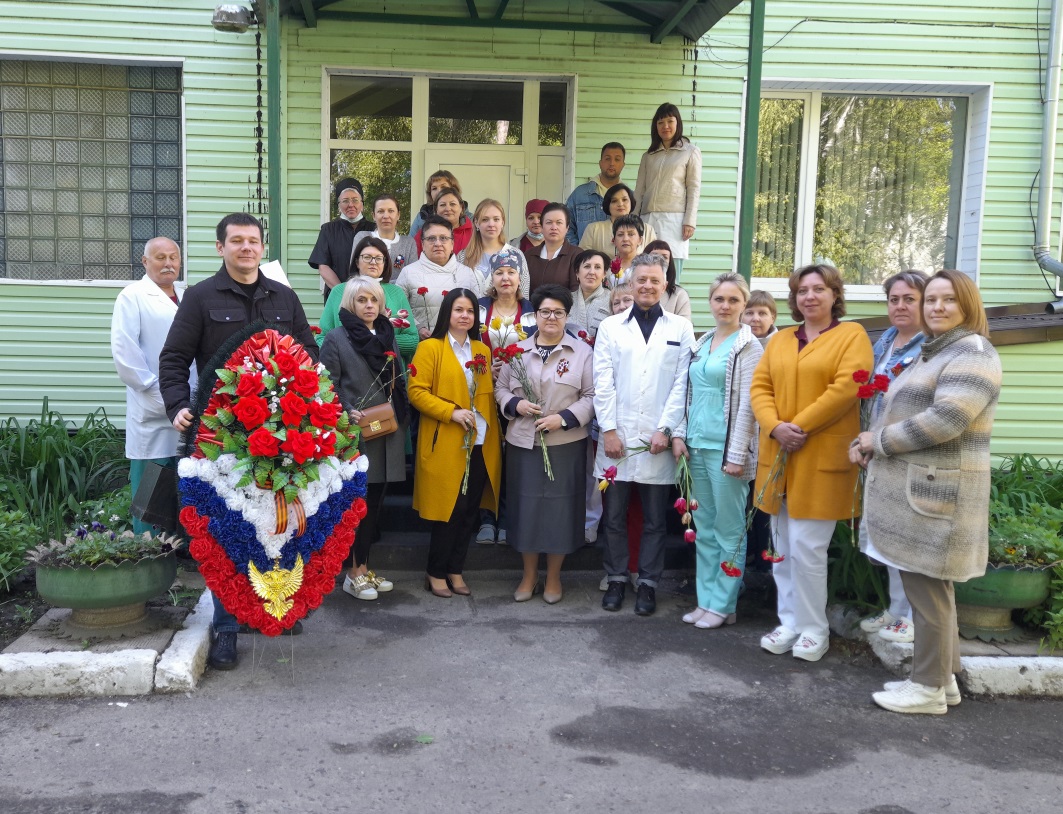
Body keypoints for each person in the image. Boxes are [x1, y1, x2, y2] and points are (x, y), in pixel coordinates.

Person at [159, 213, 318, 672]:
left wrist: (315, 410)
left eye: (253, 241)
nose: (246, 248)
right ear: (220, 247)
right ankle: (226, 627)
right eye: (236, 241)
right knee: (228, 530)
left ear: (263, 247)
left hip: (282, 435)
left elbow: (306, 355)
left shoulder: (283, 298)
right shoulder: (200, 298)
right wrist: (176, 407)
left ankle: (272, 607)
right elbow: (173, 359)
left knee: (275, 522)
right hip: (221, 435)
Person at [853, 270, 1001, 715]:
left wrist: (876, 442)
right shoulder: (936, 352)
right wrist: (866, 440)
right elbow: (897, 408)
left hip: (938, 498)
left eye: (947, 300)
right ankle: (945, 681)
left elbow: (947, 420)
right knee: (935, 591)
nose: (936, 308)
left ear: (967, 305)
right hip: (924, 494)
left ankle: (926, 689)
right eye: (931, 300)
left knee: (928, 593)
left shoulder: (972, 352)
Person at [750, 263, 873, 662]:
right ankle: (789, 621)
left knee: (808, 548)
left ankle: (814, 628)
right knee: (782, 547)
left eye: (819, 289)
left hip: (818, 455)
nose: (810, 296)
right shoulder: (781, 339)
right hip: (779, 454)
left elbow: (848, 387)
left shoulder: (852, 335)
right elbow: (760, 386)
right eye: (803, 290)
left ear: (835, 295)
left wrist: (797, 426)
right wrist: (774, 427)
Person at [594, 254, 694, 615]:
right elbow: (602, 381)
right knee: (615, 517)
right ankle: (617, 578)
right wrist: (608, 429)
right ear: (631, 284)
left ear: (665, 284)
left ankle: (648, 583)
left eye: (655, 280)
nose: (648, 286)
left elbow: (683, 384)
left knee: (654, 519)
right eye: (641, 280)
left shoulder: (680, 329)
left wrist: (666, 430)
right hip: (617, 437)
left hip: (658, 439)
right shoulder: (611, 327)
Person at [674, 273, 763, 629]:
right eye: (719, 299)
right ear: (710, 303)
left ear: (744, 305)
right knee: (705, 527)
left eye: (733, 300)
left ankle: (725, 604)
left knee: (729, 530)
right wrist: (680, 434)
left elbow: (749, 408)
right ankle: (706, 600)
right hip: (696, 444)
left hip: (727, 450)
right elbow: (688, 393)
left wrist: (738, 454)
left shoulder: (749, 347)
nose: (725, 306)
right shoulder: (703, 341)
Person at [496, 284, 595, 604]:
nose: (551, 317)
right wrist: (515, 405)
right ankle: (528, 575)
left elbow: (593, 397)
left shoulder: (582, 353)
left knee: (560, 509)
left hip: (565, 442)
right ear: (534, 315)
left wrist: (564, 417)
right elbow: (499, 390)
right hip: (523, 442)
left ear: (567, 316)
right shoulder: (516, 351)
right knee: (526, 508)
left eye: (558, 312)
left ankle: (553, 577)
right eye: (544, 312)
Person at [407, 289, 502, 598]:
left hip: (480, 441)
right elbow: (417, 392)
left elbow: (486, 395)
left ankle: (455, 570)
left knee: (469, 511)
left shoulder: (481, 351)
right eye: (458, 309)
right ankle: (435, 572)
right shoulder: (430, 348)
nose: (465, 315)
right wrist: (452, 412)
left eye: (470, 311)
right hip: (445, 440)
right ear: (447, 313)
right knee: (448, 510)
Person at [320, 276, 409, 601]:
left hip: (388, 428)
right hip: (357, 431)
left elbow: (397, 376)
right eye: (362, 300)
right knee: (358, 505)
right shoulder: (336, 338)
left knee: (377, 504)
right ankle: (352, 573)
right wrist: (346, 411)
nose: (369, 305)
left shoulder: (387, 333)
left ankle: (364, 567)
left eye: (374, 300)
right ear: (350, 304)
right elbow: (327, 383)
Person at [855, 270, 930, 643]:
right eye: (894, 299)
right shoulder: (885, 340)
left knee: (907, 538)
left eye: (909, 299)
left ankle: (912, 619)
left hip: (909, 454)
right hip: (878, 452)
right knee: (885, 534)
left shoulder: (930, 347)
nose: (900, 306)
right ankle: (895, 610)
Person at [110, 237, 190, 535]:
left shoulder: (186, 295)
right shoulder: (132, 296)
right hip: (153, 404)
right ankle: (148, 552)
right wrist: (159, 394)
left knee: (184, 483)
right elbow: (125, 353)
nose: (168, 263)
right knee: (152, 485)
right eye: (160, 257)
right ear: (145, 262)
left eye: (173, 257)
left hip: (187, 402)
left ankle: (180, 549)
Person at [475, 248, 536, 546]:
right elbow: (469, 343)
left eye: (511, 272)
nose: (505, 277)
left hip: (520, 393)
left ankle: (510, 518)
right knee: (488, 455)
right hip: (485, 389)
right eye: (499, 272)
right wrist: (488, 366)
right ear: (492, 277)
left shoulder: (531, 309)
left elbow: (538, 346)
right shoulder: (480, 306)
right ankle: (487, 516)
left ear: (519, 277)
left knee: (514, 456)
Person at [318, 236, 420, 364]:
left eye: (378, 258)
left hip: (388, 372)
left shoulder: (396, 293)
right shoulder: (339, 292)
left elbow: (412, 340)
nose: (373, 262)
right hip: (347, 371)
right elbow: (321, 337)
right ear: (356, 262)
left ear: (385, 263)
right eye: (367, 257)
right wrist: (345, 349)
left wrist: (376, 342)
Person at [634, 103, 702, 278]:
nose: (665, 126)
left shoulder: (690, 151)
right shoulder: (648, 156)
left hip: (675, 220)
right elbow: (639, 190)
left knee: (671, 274)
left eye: (670, 121)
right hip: (648, 219)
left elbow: (693, 188)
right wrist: (634, 220)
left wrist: (690, 221)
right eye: (660, 122)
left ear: (677, 123)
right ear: (655, 127)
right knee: (646, 268)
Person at [741, 289, 779, 570]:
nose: (755, 318)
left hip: (768, 435)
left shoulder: (779, 347)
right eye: (750, 312)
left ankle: (763, 563)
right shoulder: (737, 343)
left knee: (763, 501)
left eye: (762, 313)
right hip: (739, 437)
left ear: (773, 317)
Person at [394, 216, 480, 340]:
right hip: (422, 344)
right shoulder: (408, 272)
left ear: (452, 244)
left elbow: (478, 310)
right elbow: (398, 309)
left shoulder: (466, 273)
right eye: (431, 239)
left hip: (458, 345)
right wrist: (418, 328)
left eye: (443, 238)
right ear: (422, 244)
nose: (438, 243)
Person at [308, 178, 375, 303]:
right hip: (337, 297)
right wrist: (345, 293)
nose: (351, 205)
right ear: (339, 205)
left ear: (362, 203)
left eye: (355, 200)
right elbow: (323, 267)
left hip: (369, 299)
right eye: (345, 201)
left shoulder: (373, 230)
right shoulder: (328, 230)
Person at [458, 198, 531, 299]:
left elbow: (524, 295)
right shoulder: (463, 256)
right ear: (476, 223)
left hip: (506, 314)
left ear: (502, 223)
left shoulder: (516, 255)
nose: (491, 224)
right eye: (485, 219)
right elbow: (458, 294)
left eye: (496, 219)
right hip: (471, 313)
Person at [566, 142, 627, 244]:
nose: (612, 163)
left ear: (623, 165)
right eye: (607, 158)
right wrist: (578, 252)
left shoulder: (629, 198)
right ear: (600, 163)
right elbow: (566, 227)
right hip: (586, 258)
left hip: (619, 258)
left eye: (617, 159)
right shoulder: (580, 194)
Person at [578, 183, 657, 257]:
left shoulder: (647, 230)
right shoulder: (593, 229)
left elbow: (655, 260)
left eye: (624, 200)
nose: (620, 204)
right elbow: (583, 259)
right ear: (608, 205)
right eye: (614, 201)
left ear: (631, 202)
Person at [524, 203, 580, 291]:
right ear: (542, 227)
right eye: (549, 222)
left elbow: (577, 292)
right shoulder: (529, 255)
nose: (554, 227)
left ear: (567, 228)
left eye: (559, 223)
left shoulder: (577, 255)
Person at [414, 187, 473, 256]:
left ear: (461, 208)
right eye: (442, 205)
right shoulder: (423, 234)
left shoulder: (474, 234)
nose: (448, 209)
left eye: (452, 204)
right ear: (436, 210)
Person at [409, 170, 468, 237]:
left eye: (443, 187)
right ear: (430, 193)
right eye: (434, 188)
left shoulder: (470, 218)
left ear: (454, 190)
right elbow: (409, 245)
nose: (439, 191)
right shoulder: (422, 217)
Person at [569, 249, 613, 338]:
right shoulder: (566, 299)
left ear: (604, 274)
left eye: (597, 267)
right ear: (577, 272)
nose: (592, 272)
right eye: (587, 266)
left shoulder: (613, 299)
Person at [644, 239, 691, 320]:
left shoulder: (679, 295)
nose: (660, 260)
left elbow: (685, 326)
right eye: (654, 256)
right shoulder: (635, 289)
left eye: (664, 257)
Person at [370, 194, 418, 274]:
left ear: (398, 215)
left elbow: (412, 276)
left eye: (391, 211)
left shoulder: (408, 243)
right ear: (374, 216)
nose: (386, 216)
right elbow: (358, 273)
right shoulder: (363, 237)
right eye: (380, 211)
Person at [607, 214, 648, 287]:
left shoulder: (647, 266)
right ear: (614, 240)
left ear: (640, 240)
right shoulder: (606, 267)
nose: (625, 239)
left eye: (631, 234)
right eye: (620, 235)